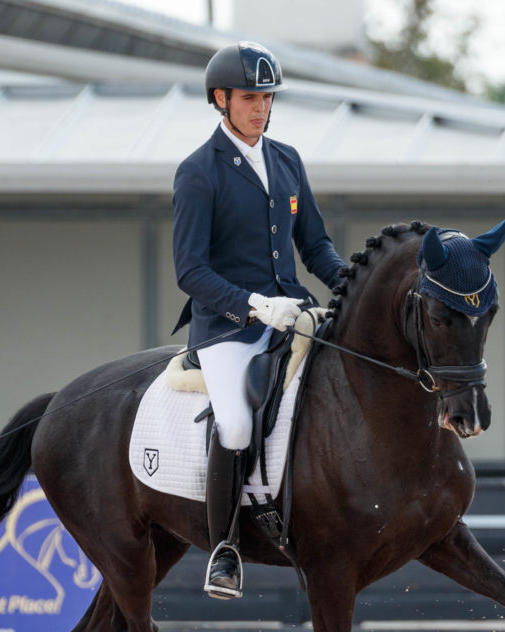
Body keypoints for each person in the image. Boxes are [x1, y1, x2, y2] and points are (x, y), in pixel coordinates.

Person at [171, 41, 344, 600]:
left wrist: (350, 287)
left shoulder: (287, 159)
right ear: (221, 99)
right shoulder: (199, 172)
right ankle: (224, 549)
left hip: (291, 313)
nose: (261, 108)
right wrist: (251, 304)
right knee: (238, 425)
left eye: (267, 97)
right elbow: (190, 270)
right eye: (250, 97)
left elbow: (314, 245)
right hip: (228, 326)